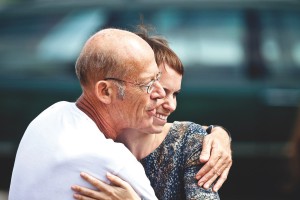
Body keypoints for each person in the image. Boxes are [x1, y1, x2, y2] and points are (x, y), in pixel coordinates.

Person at [70, 27, 232, 200]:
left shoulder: (189, 143)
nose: (171, 105)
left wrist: (220, 133)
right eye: (158, 89)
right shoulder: (93, 140)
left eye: (175, 94)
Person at [9, 28, 165, 200]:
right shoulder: (113, 162)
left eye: (158, 77)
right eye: (147, 84)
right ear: (105, 91)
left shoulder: (49, 116)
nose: (161, 92)